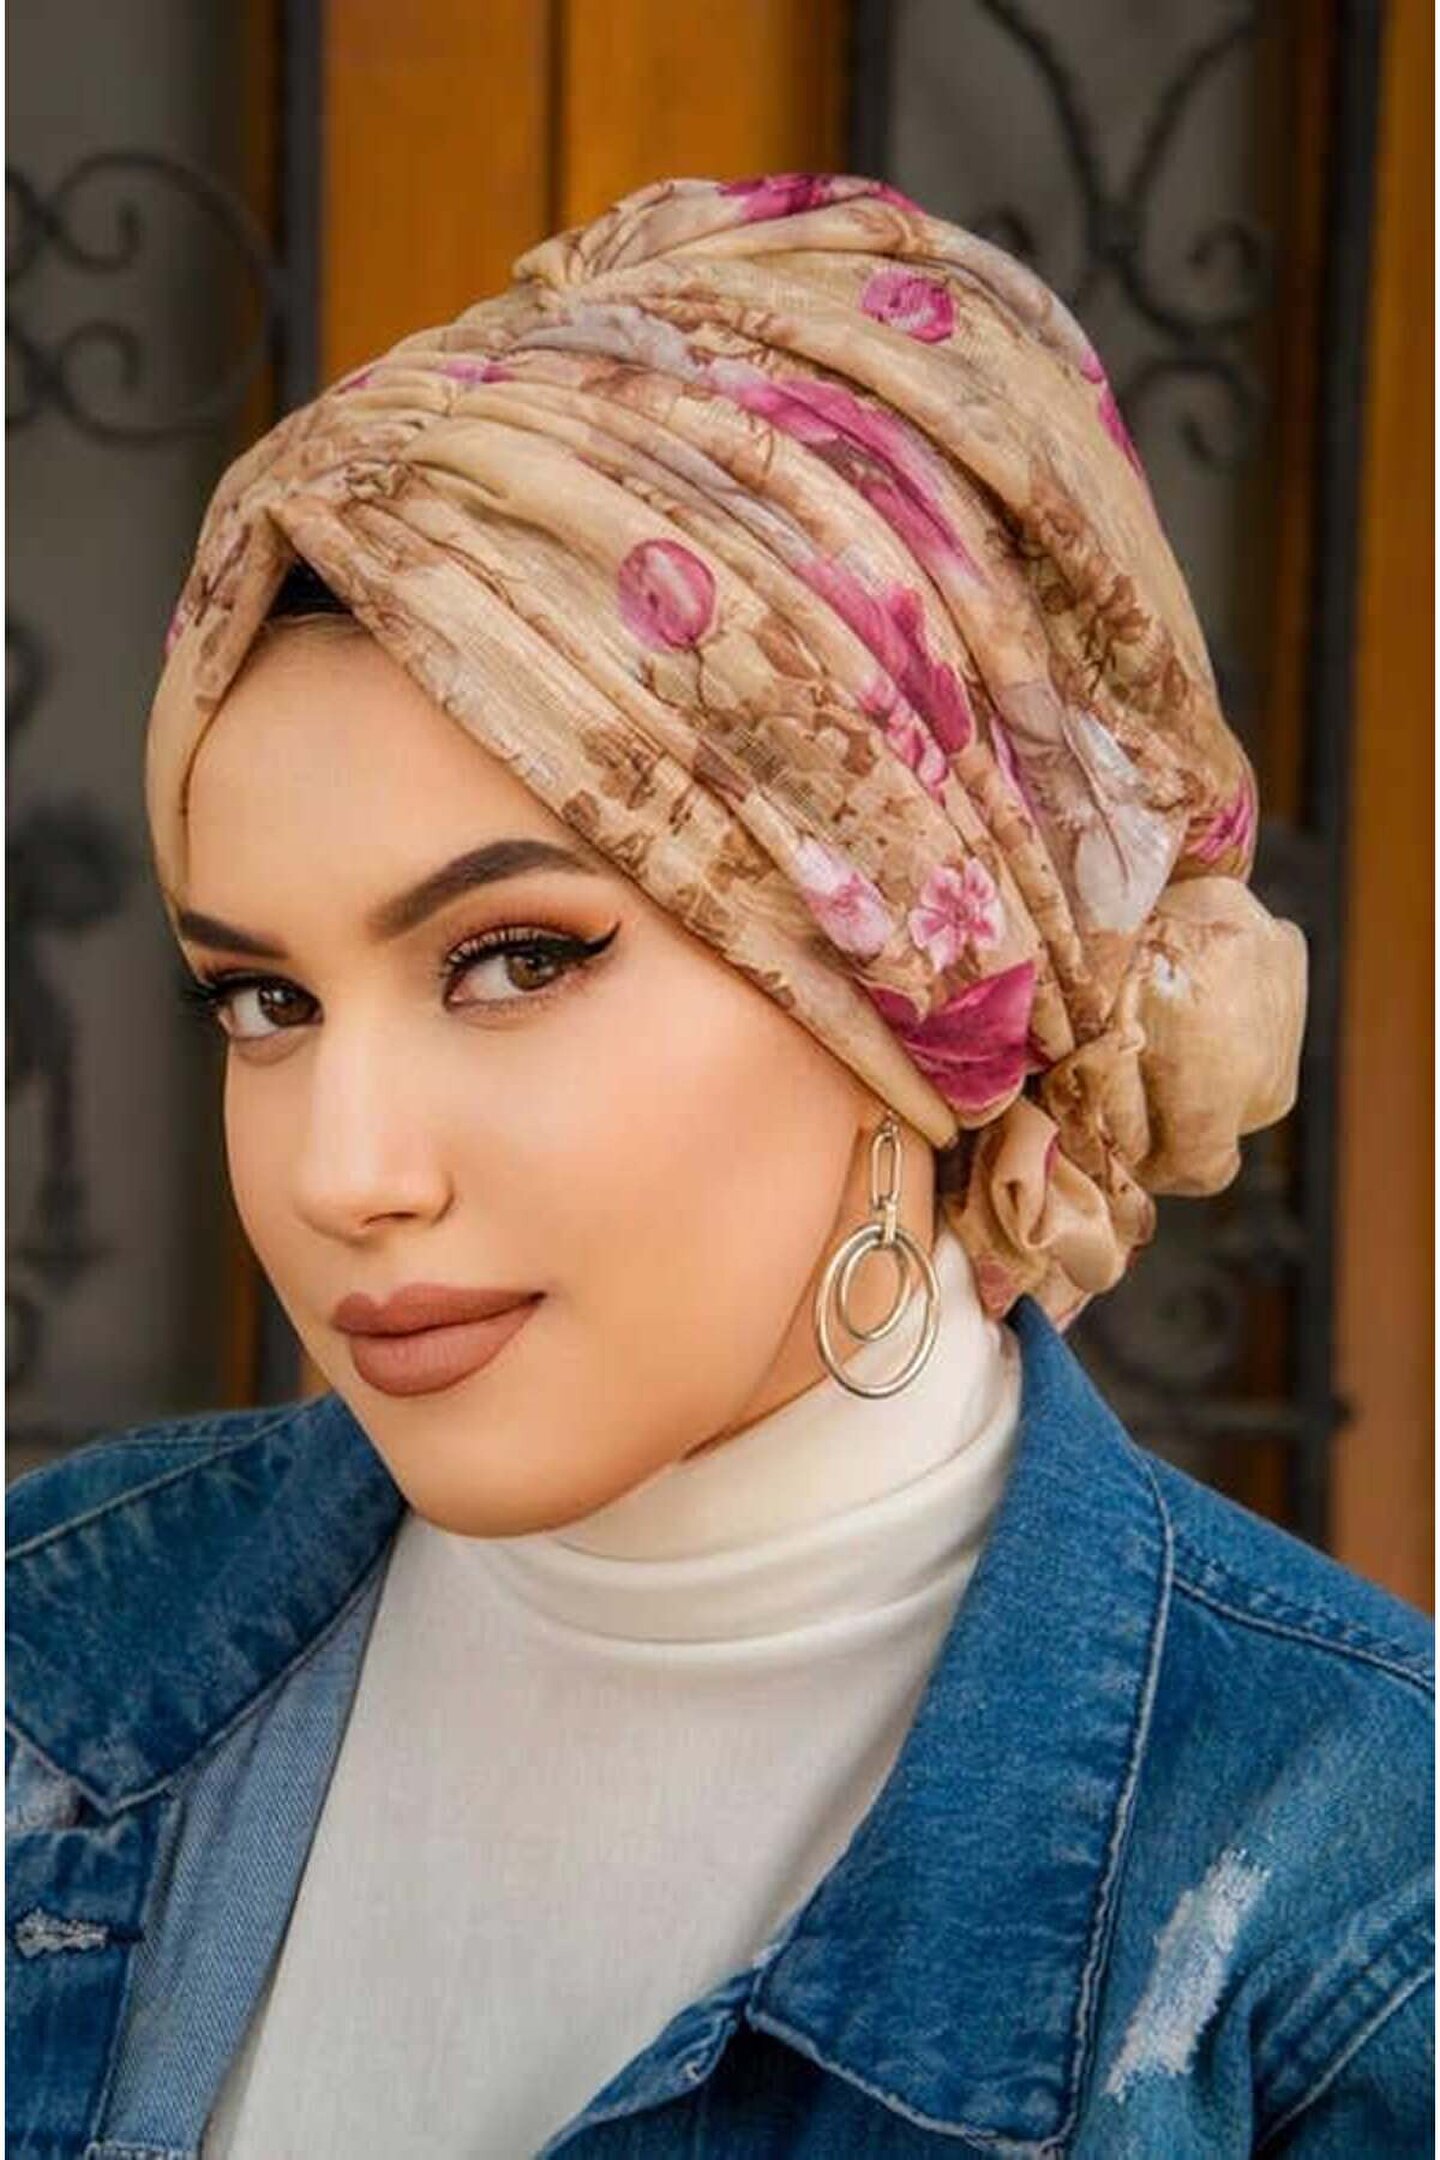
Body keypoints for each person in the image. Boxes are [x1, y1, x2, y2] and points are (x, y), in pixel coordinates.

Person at [6, 174, 1430, 2158]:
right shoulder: (44, 1648)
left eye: (515, 959)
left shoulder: (1364, 1896)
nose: (344, 1172)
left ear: (912, 980)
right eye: (265, 1001)